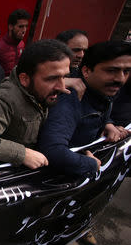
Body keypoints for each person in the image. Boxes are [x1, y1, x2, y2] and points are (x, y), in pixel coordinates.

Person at [37, 40, 131, 176]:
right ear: (86, 71)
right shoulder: (69, 98)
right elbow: (52, 150)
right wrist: (90, 164)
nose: (120, 79)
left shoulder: (104, 92)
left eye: (126, 71)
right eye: (111, 71)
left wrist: (107, 123)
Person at [0, 39, 72, 169]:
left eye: (64, 77)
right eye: (52, 78)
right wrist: (23, 154)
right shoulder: (4, 98)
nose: (61, 86)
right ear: (25, 79)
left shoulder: (45, 93)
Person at [0, 9, 30, 77]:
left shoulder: (21, 44)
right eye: (20, 26)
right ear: (11, 27)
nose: (24, 30)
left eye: (26, 26)